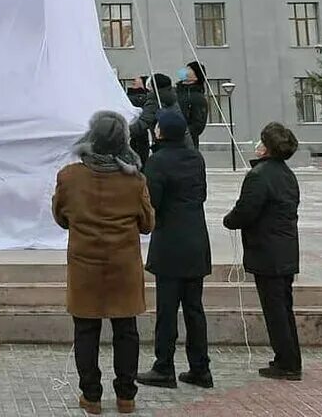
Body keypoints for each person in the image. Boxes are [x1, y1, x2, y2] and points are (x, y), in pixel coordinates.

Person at [52, 111, 155, 415]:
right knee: (126, 331)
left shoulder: (70, 176)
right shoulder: (134, 181)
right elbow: (148, 223)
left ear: (91, 138)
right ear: (123, 140)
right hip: (123, 266)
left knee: (86, 332)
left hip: (85, 267)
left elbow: (60, 217)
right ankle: (126, 395)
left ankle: (91, 396)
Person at [137, 110, 213, 390]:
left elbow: (151, 200)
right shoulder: (196, 158)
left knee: (167, 310)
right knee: (194, 308)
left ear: (161, 132)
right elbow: (202, 194)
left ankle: (164, 367)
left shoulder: (157, 161)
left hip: (170, 241)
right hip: (196, 239)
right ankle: (200, 368)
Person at [223, 122, 302, 381]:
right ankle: (288, 358)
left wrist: (230, 220)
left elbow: (246, 210)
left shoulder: (260, 176)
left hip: (268, 251)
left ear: (266, 149)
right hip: (286, 250)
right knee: (284, 308)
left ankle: (287, 363)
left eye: (260, 142)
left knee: (275, 310)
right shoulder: (287, 174)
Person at [128, 74, 194, 151]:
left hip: (164, 144)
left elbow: (144, 122)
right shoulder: (172, 96)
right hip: (183, 141)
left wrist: (123, 131)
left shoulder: (155, 100)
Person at [175, 62, 209, 149]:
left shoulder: (197, 97)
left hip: (187, 144)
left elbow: (198, 125)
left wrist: (178, 132)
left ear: (196, 76)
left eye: (189, 69)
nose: (184, 71)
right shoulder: (175, 92)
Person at [126, 77, 151, 170]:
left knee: (140, 150)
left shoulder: (142, 97)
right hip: (135, 130)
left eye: (138, 78)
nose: (134, 80)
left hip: (137, 129)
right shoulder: (129, 95)